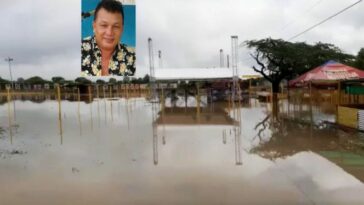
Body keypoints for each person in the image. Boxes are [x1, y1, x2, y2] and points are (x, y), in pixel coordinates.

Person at [81, 0, 135, 76]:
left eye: (116, 26)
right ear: (94, 26)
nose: (109, 32)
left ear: (122, 29)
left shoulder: (133, 58)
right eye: (104, 25)